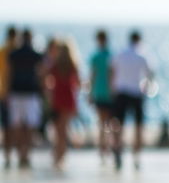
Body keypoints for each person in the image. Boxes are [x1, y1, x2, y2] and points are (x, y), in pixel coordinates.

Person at [110, 30, 153, 171]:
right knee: (138, 126)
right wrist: (146, 88)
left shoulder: (121, 53)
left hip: (121, 92)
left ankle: (117, 149)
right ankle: (136, 155)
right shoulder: (142, 54)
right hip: (136, 93)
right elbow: (150, 74)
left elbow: (112, 70)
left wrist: (113, 88)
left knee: (118, 125)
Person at [6, 29, 44, 169]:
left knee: (17, 125)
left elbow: (9, 74)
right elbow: (41, 74)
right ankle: (26, 153)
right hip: (31, 93)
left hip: (16, 92)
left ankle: (19, 153)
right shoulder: (35, 55)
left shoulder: (14, 55)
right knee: (29, 125)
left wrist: (7, 91)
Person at [45, 39, 80, 170]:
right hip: (68, 99)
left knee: (58, 130)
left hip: (57, 98)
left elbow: (46, 79)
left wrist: (49, 92)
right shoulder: (73, 64)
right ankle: (62, 155)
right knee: (64, 130)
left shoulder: (55, 64)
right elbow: (78, 84)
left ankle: (57, 155)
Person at [88, 30, 114, 164]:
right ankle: (107, 147)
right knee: (109, 123)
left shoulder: (96, 57)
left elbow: (92, 76)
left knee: (101, 123)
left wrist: (90, 93)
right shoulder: (111, 55)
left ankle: (102, 148)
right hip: (110, 93)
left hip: (99, 92)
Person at [0, 26, 17, 169]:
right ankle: (17, 153)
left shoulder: (3, 51)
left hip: (4, 93)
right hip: (15, 93)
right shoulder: (14, 51)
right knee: (16, 125)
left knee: (7, 126)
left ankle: (7, 154)